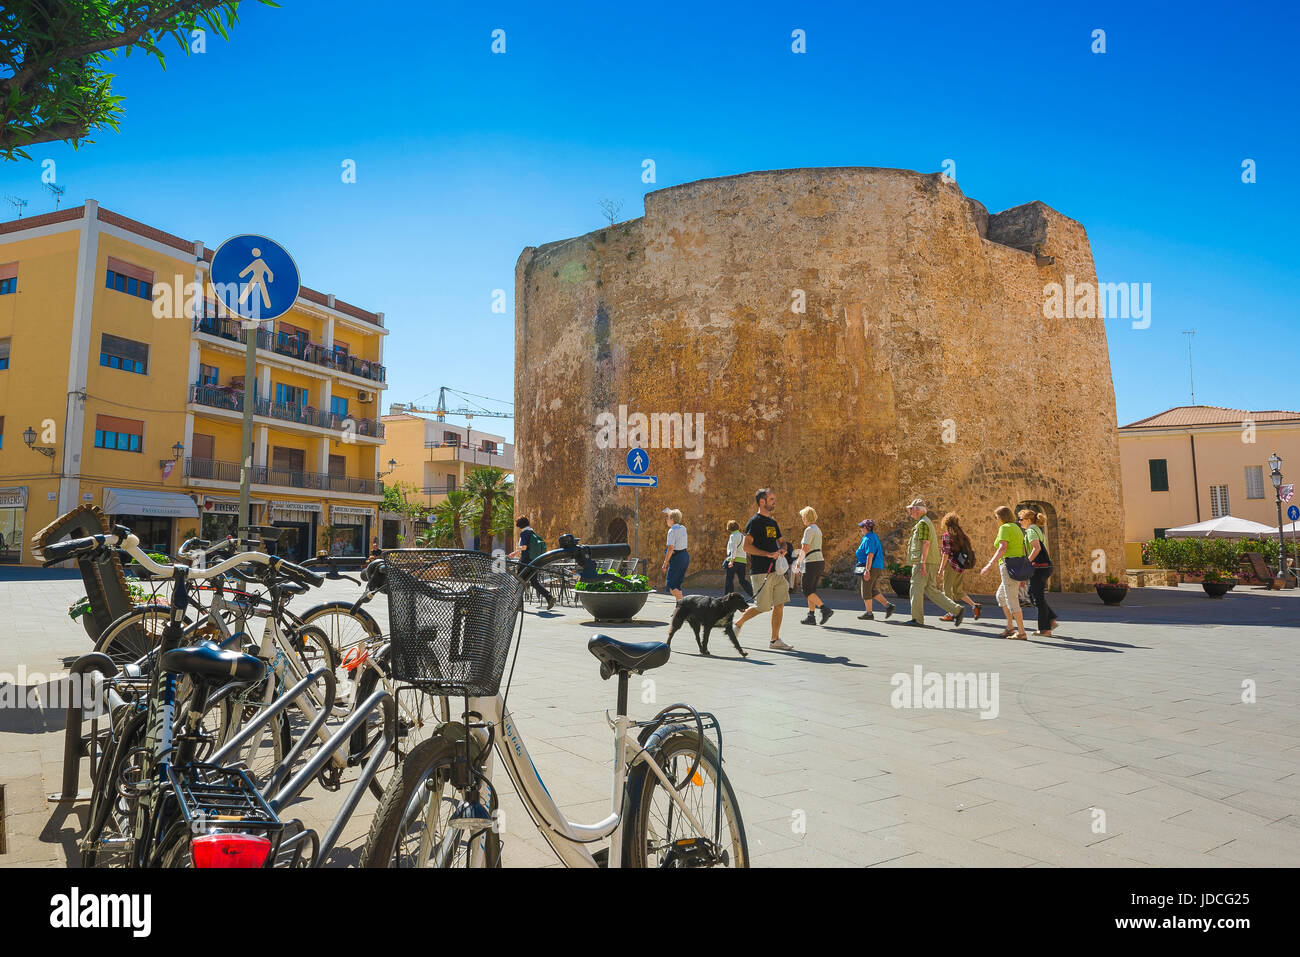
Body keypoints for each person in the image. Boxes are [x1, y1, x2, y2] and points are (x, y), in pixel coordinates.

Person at [733, 488, 794, 651]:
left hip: (777, 571)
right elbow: (746, 547)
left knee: (780, 604)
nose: (774, 502)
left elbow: (782, 541)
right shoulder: (754, 522)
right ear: (762, 501)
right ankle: (737, 624)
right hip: (761, 571)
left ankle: (774, 640)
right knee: (762, 607)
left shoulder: (773, 522)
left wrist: (782, 549)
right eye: (772, 499)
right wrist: (767, 554)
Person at [903, 498, 964, 628]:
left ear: (918, 510)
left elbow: (926, 543)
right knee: (931, 590)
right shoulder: (924, 522)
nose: (910, 511)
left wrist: (922, 563)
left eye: (911, 509)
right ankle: (957, 610)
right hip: (930, 561)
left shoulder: (922, 524)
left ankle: (917, 619)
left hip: (924, 562)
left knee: (915, 588)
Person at [980, 506, 1028, 640]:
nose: (996, 520)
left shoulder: (1005, 528)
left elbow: (1002, 547)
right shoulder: (1017, 528)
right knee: (1001, 596)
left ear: (1001, 517)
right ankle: (1010, 627)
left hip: (1008, 566)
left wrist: (989, 564)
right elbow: (1022, 548)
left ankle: (1022, 632)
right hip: (1016, 567)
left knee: (1012, 600)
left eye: (996, 517)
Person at [1020, 509, 1058, 636]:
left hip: (1038, 568)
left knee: (1037, 597)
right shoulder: (1037, 530)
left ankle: (1044, 629)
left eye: (1021, 519)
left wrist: (1027, 562)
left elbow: (1037, 548)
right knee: (1033, 594)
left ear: (1029, 520)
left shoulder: (1031, 531)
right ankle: (1051, 619)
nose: (1019, 522)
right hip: (1044, 567)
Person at [937, 512, 981, 622]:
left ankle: (951, 613)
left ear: (946, 522)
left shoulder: (947, 536)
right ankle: (974, 606)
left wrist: (941, 568)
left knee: (946, 589)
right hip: (960, 566)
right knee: (957, 591)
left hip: (951, 566)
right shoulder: (961, 535)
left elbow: (946, 554)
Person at [508, 515, 555, 611]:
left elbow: (524, 547)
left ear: (520, 525)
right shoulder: (532, 532)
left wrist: (515, 552)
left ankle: (518, 605)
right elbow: (527, 547)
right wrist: (515, 553)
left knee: (519, 582)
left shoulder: (525, 533)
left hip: (525, 562)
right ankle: (549, 596)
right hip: (534, 561)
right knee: (534, 582)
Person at [797, 506, 832, 625]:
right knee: (811, 590)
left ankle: (824, 609)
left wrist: (798, 562)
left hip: (811, 562)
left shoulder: (809, 530)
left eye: (802, 516)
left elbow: (805, 547)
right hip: (819, 562)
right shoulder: (817, 529)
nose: (802, 519)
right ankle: (811, 616)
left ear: (806, 517)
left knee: (806, 590)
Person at [854, 519, 895, 619]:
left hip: (871, 567)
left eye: (862, 527)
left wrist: (867, 570)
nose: (861, 529)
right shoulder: (871, 537)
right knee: (871, 590)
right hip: (875, 566)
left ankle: (869, 613)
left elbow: (870, 555)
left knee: (866, 590)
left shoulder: (869, 538)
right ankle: (888, 606)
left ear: (867, 528)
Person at [661, 508, 689, 602]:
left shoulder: (672, 531)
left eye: (668, 518)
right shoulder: (683, 528)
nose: (666, 520)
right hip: (685, 556)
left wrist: (665, 563)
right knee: (677, 585)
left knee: (671, 586)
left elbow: (670, 548)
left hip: (677, 558)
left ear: (672, 519)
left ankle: (684, 605)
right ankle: (679, 609)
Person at [723, 519, 753, 598]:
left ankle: (728, 598)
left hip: (734, 561)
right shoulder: (743, 536)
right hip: (742, 561)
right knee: (742, 580)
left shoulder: (733, 536)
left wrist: (731, 561)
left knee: (729, 580)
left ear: (729, 528)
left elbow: (733, 549)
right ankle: (753, 594)